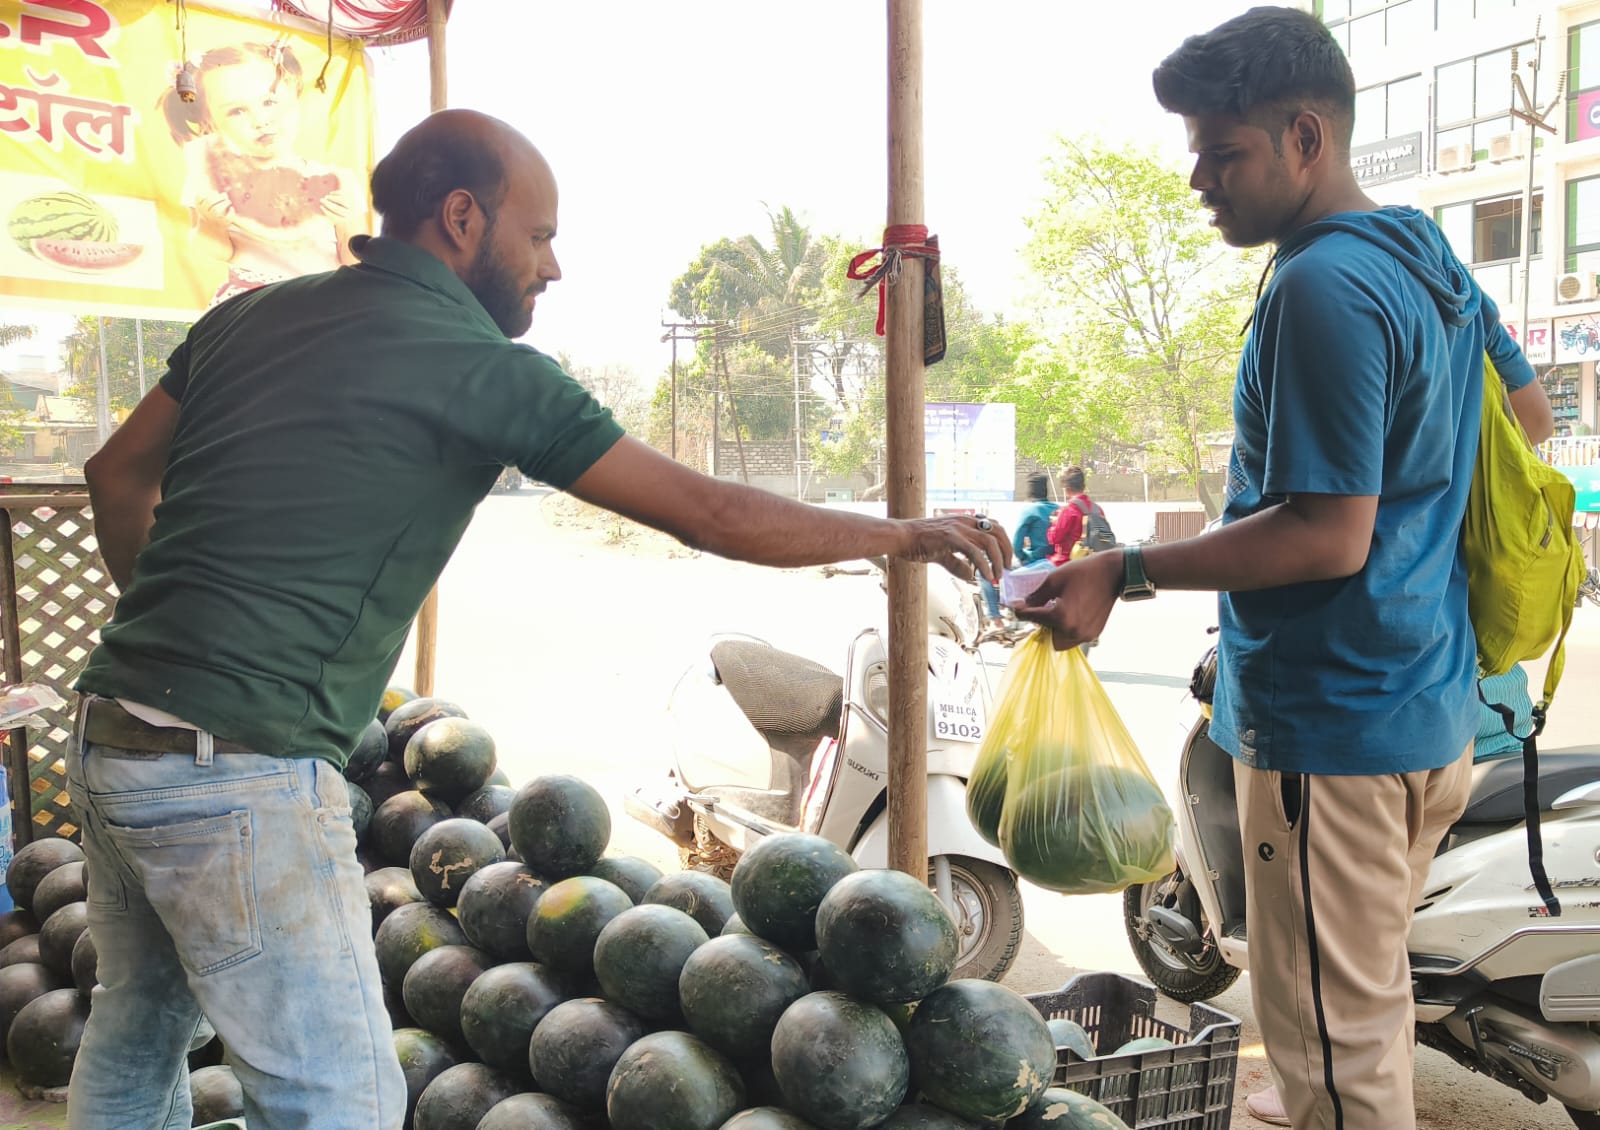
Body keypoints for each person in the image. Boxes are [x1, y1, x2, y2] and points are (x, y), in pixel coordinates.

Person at [67, 109, 1011, 1130]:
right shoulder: (481, 367)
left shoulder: (243, 319)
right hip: (240, 774)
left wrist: (172, 640)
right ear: (463, 218)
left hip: (115, 731)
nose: (552, 266)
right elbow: (710, 512)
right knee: (334, 1098)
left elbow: (114, 472)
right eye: (541, 234)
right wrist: (899, 534)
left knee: (139, 1031)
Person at [1014, 10, 1553, 1130]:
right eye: (1194, 150)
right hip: (1427, 706)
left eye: (1225, 150)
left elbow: (1323, 534)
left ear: (1305, 136)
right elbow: (1529, 412)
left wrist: (1125, 567)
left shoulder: (1321, 287)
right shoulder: (1422, 254)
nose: (1199, 177)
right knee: (1356, 1016)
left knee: (1337, 1073)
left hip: (1334, 729)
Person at [163, 40, 362, 305]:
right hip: (251, 302)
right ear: (210, 123)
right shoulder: (207, 182)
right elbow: (220, 251)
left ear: (295, 98)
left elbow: (353, 260)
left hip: (322, 302)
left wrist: (347, 223)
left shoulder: (339, 180)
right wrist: (212, 224)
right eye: (237, 111)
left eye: (269, 102)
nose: (260, 120)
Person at [977, 471, 1057, 630]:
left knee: (983, 572)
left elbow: (1016, 546)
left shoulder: (1029, 510)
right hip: (1056, 564)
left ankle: (995, 618)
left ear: (1030, 491)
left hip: (1036, 565)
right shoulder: (1058, 509)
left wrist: (1026, 556)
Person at [1045, 465, 1099, 565]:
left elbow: (1053, 538)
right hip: (1094, 564)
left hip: (1067, 565)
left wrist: (1054, 523)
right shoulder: (1097, 509)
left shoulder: (1068, 510)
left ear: (1066, 489)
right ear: (1083, 486)